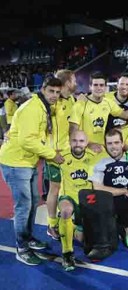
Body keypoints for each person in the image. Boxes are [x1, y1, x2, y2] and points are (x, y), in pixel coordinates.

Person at [0, 76, 65, 265]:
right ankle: (22, 247)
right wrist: (51, 154)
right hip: (15, 162)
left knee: (34, 201)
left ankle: (27, 237)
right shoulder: (32, 108)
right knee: (23, 206)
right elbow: (27, 140)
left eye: (57, 92)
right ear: (43, 89)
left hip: (27, 162)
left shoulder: (43, 106)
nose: (54, 95)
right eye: (51, 91)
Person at [89, 129, 128, 252]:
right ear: (105, 145)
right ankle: (119, 227)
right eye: (110, 143)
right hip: (109, 203)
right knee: (102, 241)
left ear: (122, 143)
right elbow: (98, 188)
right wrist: (123, 191)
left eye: (116, 143)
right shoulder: (99, 161)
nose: (113, 147)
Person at [45, 69, 77, 240]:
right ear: (66, 83)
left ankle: (66, 218)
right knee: (55, 189)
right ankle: (51, 225)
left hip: (69, 154)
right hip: (54, 154)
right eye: (74, 80)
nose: (76, 83)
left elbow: (72, 125)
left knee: (69, 188)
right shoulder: (51, 103)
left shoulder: (71, 99)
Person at [56, 130, 95, 271]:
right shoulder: (61, 157)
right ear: (70, 141)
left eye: (81, 141)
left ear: (86, 143)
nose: (78, 144)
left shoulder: (94, 157)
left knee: (83, 239)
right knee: (66, 211)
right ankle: (67, 253)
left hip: (86, 200)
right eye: (74, 141)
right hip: (68, 197)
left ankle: (76, 227)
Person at [69, 72, 128, 153]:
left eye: (101, 85)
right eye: (95, 85)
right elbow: (73, 130)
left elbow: (124, 115)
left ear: (106, 88)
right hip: (84, 149)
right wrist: (87, 144)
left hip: (102, 149)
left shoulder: (108, 103)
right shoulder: (80, 104)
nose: (98, 88)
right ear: (90, 87)